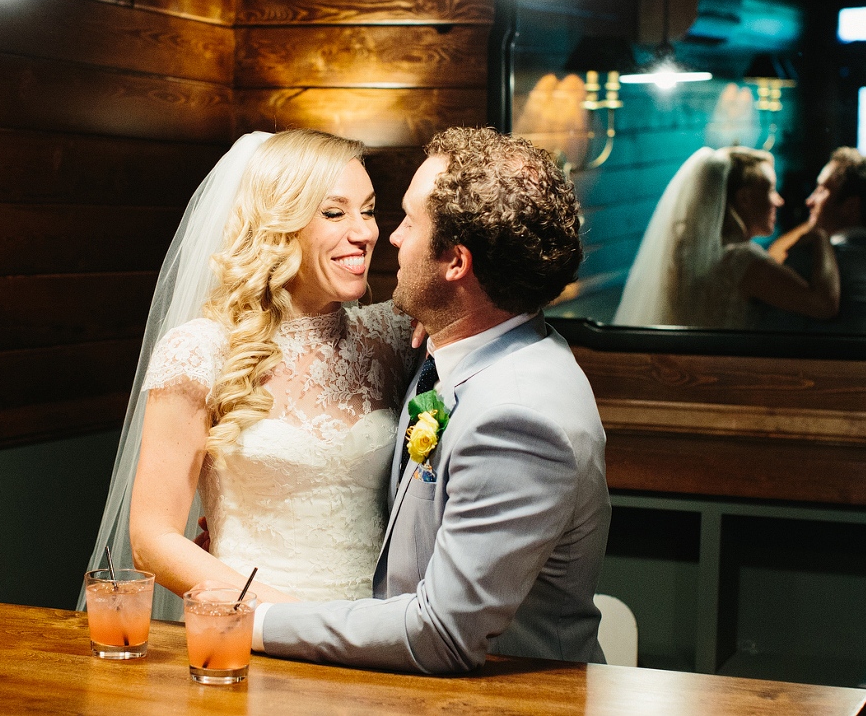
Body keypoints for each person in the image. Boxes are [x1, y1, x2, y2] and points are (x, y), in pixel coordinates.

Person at [256, 126, 610, 673]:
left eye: (409, 223)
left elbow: (441, 634)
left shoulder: (518, 418)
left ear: (456, 264)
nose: (390, 238)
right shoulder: (466, 346)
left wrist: (253, 618)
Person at [83, 128, 419, 616]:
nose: (365, 231)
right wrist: (291, 618)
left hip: (381, 629)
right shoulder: (200, 352)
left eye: (367, 209)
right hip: (255, 631)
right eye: (334, 212)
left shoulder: (394, 336)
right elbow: (152, 539)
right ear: (278, 224)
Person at [613, 146, 839, 329]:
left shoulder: (686, 255)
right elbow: (823, 304)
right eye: (770, 190)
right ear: (745, 199)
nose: (778, 201)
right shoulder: (742, 260)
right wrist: (821, 236)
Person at [761, 147, 866, 335]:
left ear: (850, 206)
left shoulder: (812, 260)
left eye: (821, 190)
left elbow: (773, 336)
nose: (809, 201)